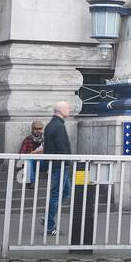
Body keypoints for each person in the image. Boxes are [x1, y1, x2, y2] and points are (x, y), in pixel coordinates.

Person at [43, 101, 74, 236]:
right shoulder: (59, 126)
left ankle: (48, 216)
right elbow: (62, 146)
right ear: (60, 110)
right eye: (67, 108)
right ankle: (50, 225)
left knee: (65, 191)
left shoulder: (51, 125)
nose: (70, 109)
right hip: (60, 164)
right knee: (56, 194)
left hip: (57, 164)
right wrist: (68, 161)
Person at [18, 118, 44, 185]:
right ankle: (31, 182)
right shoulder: (27, 140)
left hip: (43, 162)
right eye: (36, 129)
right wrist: (33, 152)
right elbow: (21, 154)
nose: (38, 131)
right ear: (32, 129)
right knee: (29, 159)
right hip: (33, 163)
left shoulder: (46, 139)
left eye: (40, 129)